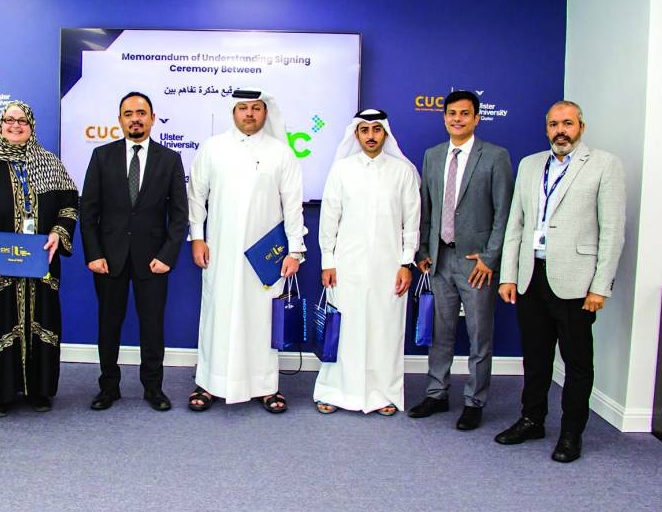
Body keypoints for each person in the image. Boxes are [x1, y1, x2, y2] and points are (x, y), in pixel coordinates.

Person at [495, 100, 625, 463]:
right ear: (546, 128)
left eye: (567, 123)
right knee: (535, 358)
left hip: (576, 282)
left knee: (577, 363)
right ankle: (532, 419)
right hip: (531, 277)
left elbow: (612, 232)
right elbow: (515, 225)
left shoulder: (604, 165)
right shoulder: (530, 165)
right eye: (553, 124)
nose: (560, 131)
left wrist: (601, 286)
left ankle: (571, 434)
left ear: (581, 127)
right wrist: (508, 275)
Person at [187, 89, 305, 413]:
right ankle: (210, 383)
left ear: (265, 113)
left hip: (266, 257)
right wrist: (197, 236)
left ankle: (265, 386)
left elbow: (293, 206)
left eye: (256, 108)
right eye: (243, 108)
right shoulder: (213, 148)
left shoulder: (281, 153)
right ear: (233, 112)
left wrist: (295, 251)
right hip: (220, 251)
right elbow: (196, 195)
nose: (249, 114)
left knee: (263, 317)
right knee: (217, 315)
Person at [0, 101, 79, 417]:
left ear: (32, 125)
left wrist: (57, 232)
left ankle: (39, 391)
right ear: (0, 125)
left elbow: (68, 207)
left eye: (22, 120)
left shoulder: (49, 164)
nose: (15, 125)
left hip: (40, 265)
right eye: (9, 120)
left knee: (41, 324)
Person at [408, 90, 514, 430]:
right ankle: (437, 393)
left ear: (477, 118)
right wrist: (423, 250)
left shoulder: (495, 157)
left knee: (479, 335)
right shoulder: (433, 155)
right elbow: (426, 206)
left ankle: (474, 401)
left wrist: (489, 257)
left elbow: (504, 214)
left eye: (464, 114)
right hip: (440, 259)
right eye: (452, 113)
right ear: (444, 117)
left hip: (476, 264)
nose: (457, 119)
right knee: (441, 333)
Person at [80, 92, 188, 411]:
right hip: (108, 259)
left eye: (141, 113)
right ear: (120, 120)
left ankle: (153, 388)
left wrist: (167, 256)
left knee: (152, 327)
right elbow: (88, 212)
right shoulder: (102, 156)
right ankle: (108, 388)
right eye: (128, 113)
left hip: (153, 260)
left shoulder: (169, 159)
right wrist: (94, 254)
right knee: (108, 326)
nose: (135, 118)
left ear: (153, 118)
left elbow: (180, 215)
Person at [314, 109, 420, 416]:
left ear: (385, 134)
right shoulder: (342, 170)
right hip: (346, 267)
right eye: (364, 130)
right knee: (344, 329)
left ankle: (383, 395)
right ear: (356, 135)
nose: (371, 135)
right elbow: (329, 219)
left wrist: (406, 263)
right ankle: (335, 391)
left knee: (384, 330)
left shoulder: (402, 172)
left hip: (390, 268)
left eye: (376, 130)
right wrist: (327, 261)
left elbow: (412, 223)